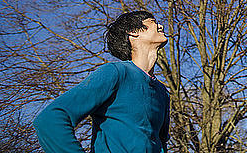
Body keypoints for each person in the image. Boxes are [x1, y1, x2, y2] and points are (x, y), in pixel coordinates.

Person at [34, 11, 170, 153]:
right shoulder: (115, 72)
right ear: (133, 32)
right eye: (152, 22)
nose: (160, 26)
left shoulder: (162, 93)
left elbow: (161, 143)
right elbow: (49, 120)